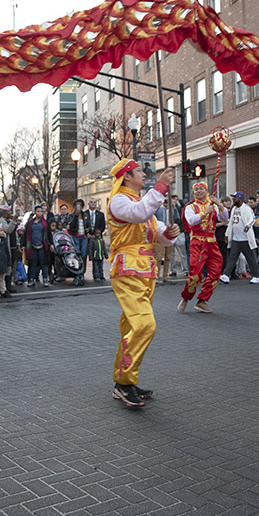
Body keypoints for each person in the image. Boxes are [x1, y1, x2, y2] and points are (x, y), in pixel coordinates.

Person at [107, 159, 180, 407]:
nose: (143, 174)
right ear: (127, 176)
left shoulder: (138, 202)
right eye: (138, 171)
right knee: (144, 325)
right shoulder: (119, 200)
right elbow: (140, 214)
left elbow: (154, 229)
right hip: (129, 269)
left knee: (132, 327)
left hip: (144, 271)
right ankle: (125, 381)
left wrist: (167, 235)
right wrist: (160, 187)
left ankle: (125, 381)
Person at [178, 181, 228, 314]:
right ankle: (186, 298)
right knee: (195, 275)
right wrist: (205, 212)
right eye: (197, 189)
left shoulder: (213, 205)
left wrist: (219, 205)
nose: (199, 191)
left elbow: (225, 217)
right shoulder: (190, 207)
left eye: (202, 189)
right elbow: (191, 221)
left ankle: (202, 301)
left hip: (212, 242)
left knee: (216, 273)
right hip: (197, 243)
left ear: (206, 191)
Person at [219, 192, 259, 284]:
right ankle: (226, 275)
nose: (233, 200)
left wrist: (248, 225)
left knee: (251, 258)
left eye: (235, 198)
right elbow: (231, 223)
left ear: (240, 198)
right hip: (236, 239)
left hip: (245, 239)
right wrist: (227, 234)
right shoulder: (234, 209)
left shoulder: (246, 208)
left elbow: (252, 218)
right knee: (232, 258)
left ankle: (256, 276)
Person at [24, 205, 51, 287]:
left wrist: (51, 244)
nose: (40, 213)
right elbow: (26, 235)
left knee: (44, 264)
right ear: (35, 212)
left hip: (42, 246)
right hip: (32, 247)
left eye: (41, 211)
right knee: (32, 264)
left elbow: (49, 234)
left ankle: (45, 279)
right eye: (38, 211)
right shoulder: (30, 223)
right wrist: (23, 245)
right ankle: (31, 279)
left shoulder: (45, 223)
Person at [215, 196, 231, 271]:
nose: (228, 203)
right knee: (222, 254)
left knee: (230, 254)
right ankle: (222, 270)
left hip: (230, 236)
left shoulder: (232, 211)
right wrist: (223, 223)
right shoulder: (218, 212)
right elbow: (214, 224)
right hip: (220, 236)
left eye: (229, 201)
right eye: (226, 201)